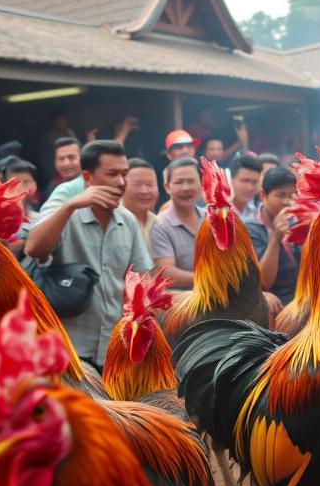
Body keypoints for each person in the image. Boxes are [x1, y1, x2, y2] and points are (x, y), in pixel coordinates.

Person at [23, 140, 150, 367]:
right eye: (112, 174)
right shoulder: (66, 213)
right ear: (87, 177)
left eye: (124, 174)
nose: (121, 182)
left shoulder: (128, 220)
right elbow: (33, 248)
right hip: (67, 350)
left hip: (114, 348)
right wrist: (69, 207)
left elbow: (142, 277)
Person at [246, 167, 301, 304]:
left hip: (299, 296)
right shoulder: (251, 228)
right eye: (280, 195)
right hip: (270, 300)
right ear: (263, 195)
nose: (288, 202)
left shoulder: (297, 222)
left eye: (292, 196)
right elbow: (264, 283)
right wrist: (276, 238)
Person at [150, 158, 204, 288]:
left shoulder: (213, 218)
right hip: (184, 303)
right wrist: (212, 279)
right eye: (179, 182)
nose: (186, 188)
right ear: (168, 187)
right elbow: (167, 273)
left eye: (191, 181)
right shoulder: (160, 225)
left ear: (202, 184)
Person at [122, 157, 159, 245]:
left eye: (150, 185)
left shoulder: (160, 224)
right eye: (137, 185)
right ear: (122, 187)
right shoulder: (112, 222)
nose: (145, 191)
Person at [230, 154, 263, 222]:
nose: (250, 188)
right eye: (245, 181)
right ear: (231, 180)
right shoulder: (216, 212)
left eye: (254, 182)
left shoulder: (258, 214)